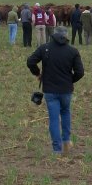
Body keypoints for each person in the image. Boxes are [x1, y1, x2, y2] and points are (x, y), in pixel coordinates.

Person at [26, 26, 84, 156]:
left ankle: (57, 150)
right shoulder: (73, 51)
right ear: (66, 36)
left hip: (50, 90)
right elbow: (80, 72)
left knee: (53, 119)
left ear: (53, 35)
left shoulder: (44, 48)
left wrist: (37, 73)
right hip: (66, 90)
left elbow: (30, 61)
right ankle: (66, 141)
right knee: (65, 113)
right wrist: (70, 80)